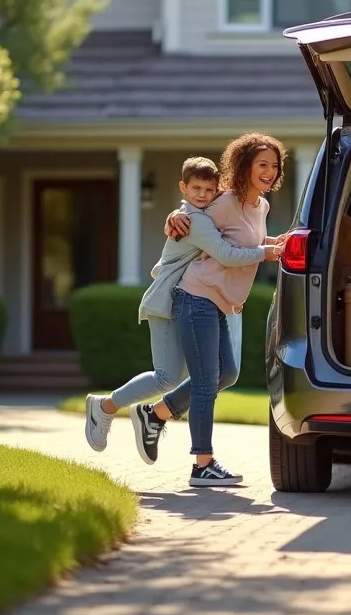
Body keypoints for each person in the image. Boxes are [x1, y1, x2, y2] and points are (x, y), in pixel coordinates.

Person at [130, 134, 290, 487]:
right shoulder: (223, 201)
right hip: (196, 296)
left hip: (220, 301)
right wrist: (173, 216)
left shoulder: (261, 206)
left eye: (274, 165)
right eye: (261, 164)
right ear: (244, 165)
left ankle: (154, 414)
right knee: (205, 384)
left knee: (226, 374)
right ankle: (203, 464)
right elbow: (191, 215)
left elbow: (242, 241)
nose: (268, 171)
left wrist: (269, 244)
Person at [83, 157, 269, 456]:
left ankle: (151, 414)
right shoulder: (193, 220)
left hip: (187, 300)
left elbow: (237, 233)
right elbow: (225, 252)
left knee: (219, 374)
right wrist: (267, 252)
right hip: (168, 298)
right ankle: (104, 406)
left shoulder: (206, 212)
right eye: (195, 188)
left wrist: (270, 243)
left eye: (209, 189)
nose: (202, 194)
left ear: (217, 190)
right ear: (183, 188)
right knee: (168, 376)